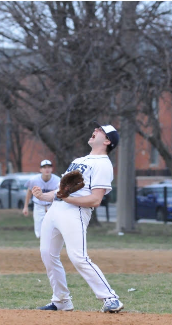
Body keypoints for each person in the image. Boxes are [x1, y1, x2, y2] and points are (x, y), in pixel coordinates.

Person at [32, 122, 123, 313]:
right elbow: (59, 192)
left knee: (78, 257)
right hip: (56, 209)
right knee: (47, 254)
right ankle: (61, 301)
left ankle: (110, 298)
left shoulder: (104, 165)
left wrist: (67, 198)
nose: (95, 131)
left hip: (76, 212)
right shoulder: (80, 159)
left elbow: (95, 199)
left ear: (107, 141)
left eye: (100, 131)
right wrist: (43, 196)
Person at [23, 160, 61, 238]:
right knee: (39, 231)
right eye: (44, 167)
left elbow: (61, 195)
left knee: (54, 229)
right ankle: (43, 248)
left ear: (52, 169)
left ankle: (51, 248)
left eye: (49, 167)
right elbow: (29, 192)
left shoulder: (58, 180)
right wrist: (25, 207)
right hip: (38, 206)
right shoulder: (34, 179)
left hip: (52, 206)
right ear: (40, 169)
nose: (47, 169)